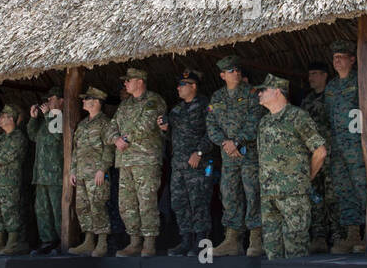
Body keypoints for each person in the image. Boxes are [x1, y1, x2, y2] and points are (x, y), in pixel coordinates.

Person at [256, 74, 327, 259]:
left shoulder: (297, 116)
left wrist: (306, 178)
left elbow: (320, 151)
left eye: (264, 90)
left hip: (293, 195)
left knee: (296, 247)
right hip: (268, 195)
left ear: (278, 91)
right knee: (272, 249)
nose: (259, 93)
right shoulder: (264, 122)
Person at [207, 55, 264, 257]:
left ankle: (256, 239)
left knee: (253, 194)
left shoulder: (252, 93)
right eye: (231, 71)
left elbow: (255, 120)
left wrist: (237, 142)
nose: (236, 73)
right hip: (229, 156)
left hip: (249, 155)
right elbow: (211, 125)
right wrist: (225, 143)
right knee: (230, 195)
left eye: (238, 70)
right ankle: (232, 239)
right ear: (222, 75)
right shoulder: (217, 98)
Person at [108, 68, 167, 257]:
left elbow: (147, 124)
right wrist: (115, 139)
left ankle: (149, 242)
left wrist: (126, 139)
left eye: (128, 80)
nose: (125, 84)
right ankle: (134, 241)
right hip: (125, 162)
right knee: (126, 204)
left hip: (146, 160)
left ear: (140, 81)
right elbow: (111, 126)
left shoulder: (153, 100)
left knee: (146, 201)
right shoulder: (125, 105)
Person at [160, 70, 213, 256]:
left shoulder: (205, 106)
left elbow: (212, 132)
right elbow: (170, 136)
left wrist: (199, 152)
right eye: (178, 85)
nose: (179, 88)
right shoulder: (176, 110)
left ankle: (202, 244)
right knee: (179, 203)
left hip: (198, 164)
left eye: (183, 84)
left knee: (199, 202)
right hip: (179, 166)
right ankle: (186, 240)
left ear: (193, 86)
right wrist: (164, 128)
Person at [326, 41, 367, 254]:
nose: (337, 61)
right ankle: (353, 234)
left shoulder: (362, 80)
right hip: (338, 147)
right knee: (344, 190)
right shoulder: (332, 87)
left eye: (341, 56)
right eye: (334, 57)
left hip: (358, 146)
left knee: (364, 188)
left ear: (352, 59)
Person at [69, 88, 115, 257]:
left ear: (96, 102)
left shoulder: (105, 123)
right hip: (81, 173)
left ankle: (102, 242)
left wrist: (102, 169)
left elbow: (109, 149)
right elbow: (76, 149)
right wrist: (73, 170)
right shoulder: (82, 124)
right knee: (82, 207)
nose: (82, 101)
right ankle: (89, 241)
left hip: (96, 173)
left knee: (98, 205)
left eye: (86, 99)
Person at [301, 62, 335, 253]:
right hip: (312, 157)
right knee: (315, 197)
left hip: (332, 155)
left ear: (324, 75)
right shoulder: (306, 101)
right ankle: (319, 237)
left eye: (315, 73)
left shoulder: (332, 96)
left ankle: (339, 236)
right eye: (309, 74)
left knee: (333, 197)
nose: (311, 77)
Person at [0, 104, 28, 255]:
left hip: (10, 181)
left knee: (10, 210)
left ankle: (14, 241)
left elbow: (11, 154)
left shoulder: (19, 137)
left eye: (2, 116)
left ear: (11, 118)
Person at [27, 88, 65, 255]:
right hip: (41, 174)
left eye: (51, 98)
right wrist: (34, 119)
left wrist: (50, 114)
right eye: (47, 99)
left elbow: (57, 134)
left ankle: (61, 240)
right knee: (42, 210)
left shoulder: (59, 116)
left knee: (57, 209)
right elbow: (33, 136)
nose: (48, 101)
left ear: (61, 100)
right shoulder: (46, 120)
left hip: (55, 174)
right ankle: (47, 240)